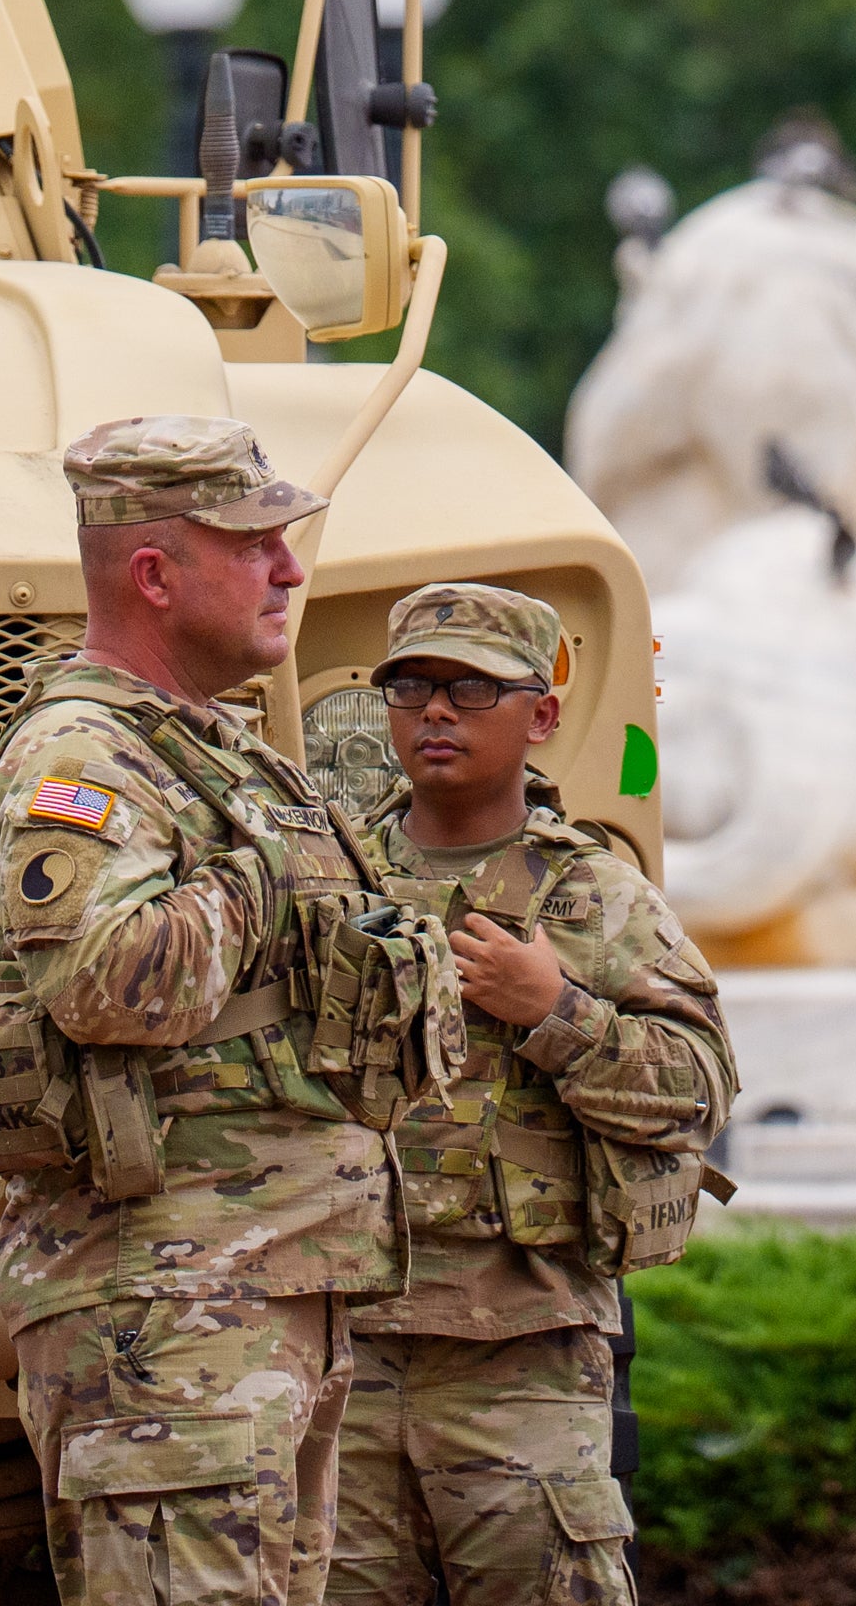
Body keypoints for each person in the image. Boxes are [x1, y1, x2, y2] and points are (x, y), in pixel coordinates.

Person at [0, 418, 454, 1606]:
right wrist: (257, 874)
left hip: (272, 1291)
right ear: (155, 573)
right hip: (165, 1311)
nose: (290, 568)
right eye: (254, 544)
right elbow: (105, 980)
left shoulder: (221, 756)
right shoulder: (83, 758)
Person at [325, 583, 737, 1606]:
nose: (435, 712)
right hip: (343, 1351)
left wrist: (555, 1011)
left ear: (541, 715)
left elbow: (698, 1088)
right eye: (411, 686)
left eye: (472, 689)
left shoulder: (593, 897)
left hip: (522, 1356)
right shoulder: (327, 881)